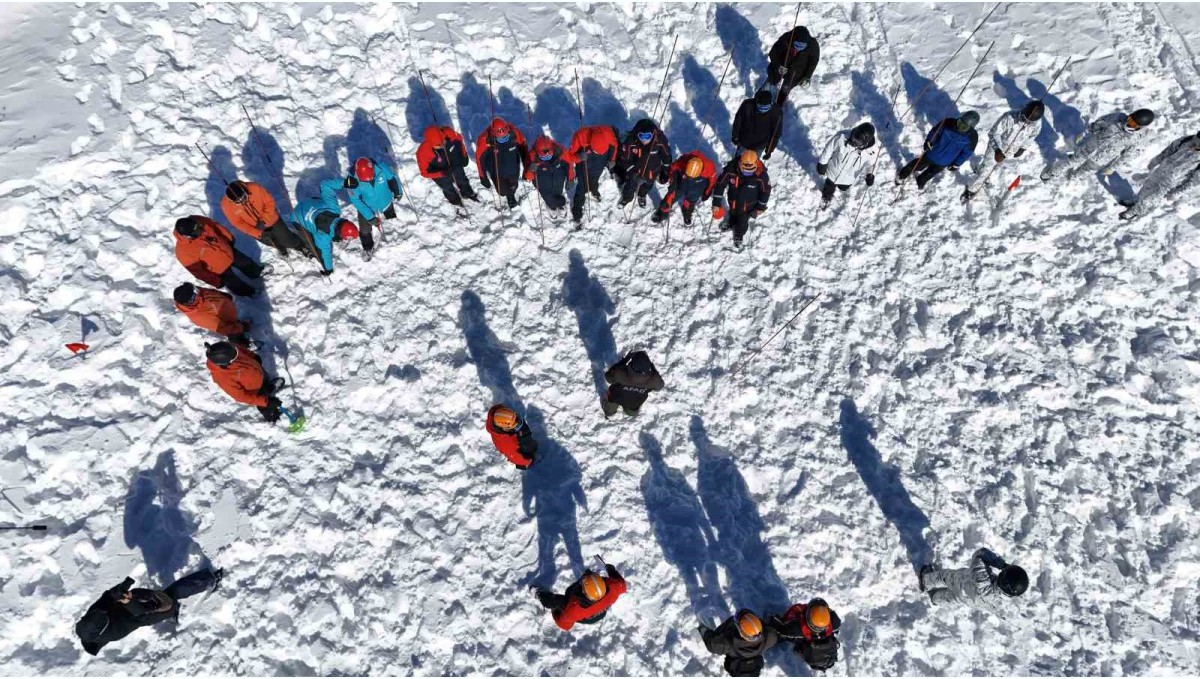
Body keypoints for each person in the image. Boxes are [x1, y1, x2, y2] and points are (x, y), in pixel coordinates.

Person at [75, 569, 223, 656]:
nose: (103, 612)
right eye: (104, 618)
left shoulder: (95, 612)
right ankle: (208, 581)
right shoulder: (113, 633)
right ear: (103, 630)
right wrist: (127, 601)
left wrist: (119, 592)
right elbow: (139, 613)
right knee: (170, 598)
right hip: (145, 612)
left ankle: (175, 611)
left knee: (169, 596)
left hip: (135, 598)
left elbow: (107, 596)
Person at [1040, 108, 1156, 182]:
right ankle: (1053, 173)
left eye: (1133, 124)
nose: (1129, 123)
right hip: (1089, 148)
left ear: (1139, 127)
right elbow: (1099, 124)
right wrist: (1085, 132)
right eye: (1130, 119)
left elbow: (1127, 156)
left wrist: (1112, 167)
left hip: (1101, 159)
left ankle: (1073, 176)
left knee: (1085, 171)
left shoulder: (1137, 140)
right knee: (1071, 161)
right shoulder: (1117, 118)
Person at [962, 100, 1045, 202]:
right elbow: (993, 134)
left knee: (996, 166)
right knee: (987, 168)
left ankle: (984, 174)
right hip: (996, 148)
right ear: (1023, 111)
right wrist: (997, 150)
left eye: (1030, 121)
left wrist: (1023, 147)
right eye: (1025, 118)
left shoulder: (1036, 123)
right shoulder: (1009, 117)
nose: (1026, 122)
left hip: (1010, 151)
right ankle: (972, 190)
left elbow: (1032, 136)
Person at [173, 215, 263, 297]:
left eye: (198, 226)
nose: (201, 228)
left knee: (244, 261)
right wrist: (216, 281)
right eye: (196, 231)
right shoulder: (183, 252)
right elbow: (199, 272)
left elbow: (216, 226)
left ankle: (256, 272)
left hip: (227, 250)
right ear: (188, 236)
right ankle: (248, 292)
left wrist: (229, 238)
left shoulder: (197, 220)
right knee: (234, 282)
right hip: (219, 269)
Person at [1119, 131, 1200, 220]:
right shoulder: (1187, 140)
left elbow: (1195, 181)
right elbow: (1169, 150)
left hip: (1172, 181)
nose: (1195, 144)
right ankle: (1136, 201)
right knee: (1147, 186)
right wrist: (1156, 161)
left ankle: (1136, 211)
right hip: (1162, 169)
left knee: (1152, 197)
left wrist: (1178, 192)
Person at [920, 548, 1029, 612]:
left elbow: (980, 555)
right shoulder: (1000, 601)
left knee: (944, 577)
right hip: (966, 599)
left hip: (959, 581)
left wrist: (1002, 564)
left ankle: (926, 581)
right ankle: (935, 598)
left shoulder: (983, 579)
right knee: (949, 598)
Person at [335, 157, 403, 260]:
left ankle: (395, 237)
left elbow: (393, 178)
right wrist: (370, 217)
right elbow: (356, 200)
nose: (370, 180)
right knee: (364, 229)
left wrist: (398, 191)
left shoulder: (382, 167)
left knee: (391, 219)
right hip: (366, 206)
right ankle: (368, 247)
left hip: (385, 201)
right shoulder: (351, 181)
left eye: (371, 177)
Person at [219, 180, 306, 258]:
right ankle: (280, 247)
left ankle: (300, 246)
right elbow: (238, 223)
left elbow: (270, 203)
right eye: (238, 202)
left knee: (288, 240)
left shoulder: (255, 188)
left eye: (244, 198)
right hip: (255, 228)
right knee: (270, 242)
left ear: (244, 190)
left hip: (271, 219)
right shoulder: (226, 205)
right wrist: (257, 233)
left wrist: (263, 220)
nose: (243, 202)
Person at [895, 111, 980, 191]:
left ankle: (921, 181)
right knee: (917, 165)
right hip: (932, 153)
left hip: (945, 161)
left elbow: (966, 153)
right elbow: (935, 132)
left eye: (964, 127)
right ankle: (902, 175)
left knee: (930, 173)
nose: (959, 127)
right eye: (960, 122)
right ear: (959, 118)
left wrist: (956, 164)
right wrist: (929, 141)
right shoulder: (948, 122)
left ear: (971, 128)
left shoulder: (972, 137)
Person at [204, 340, 283, 423]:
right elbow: (241, 396)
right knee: (264, 401)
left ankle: (269, 387)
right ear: (225, 364)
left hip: (258, 372)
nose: (237, 355)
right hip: (254, 389)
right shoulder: (223, 378)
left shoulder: (231, 350)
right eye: (234, 358)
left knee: (265, 380)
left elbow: (241, 349)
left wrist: (252, 356)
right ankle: (273, 416)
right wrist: (266, 402)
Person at [291, 183, 360, 276]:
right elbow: (326, 253)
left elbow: (326, 186)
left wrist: (346, 182)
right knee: (310, 239)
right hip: (296, 217)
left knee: (322, 202)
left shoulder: (334, 209)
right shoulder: (323, 236)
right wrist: (329, 270)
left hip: (309, 203)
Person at [535, 563, 627, 631]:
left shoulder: (574, 610)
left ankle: (542, 595)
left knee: (562, 600)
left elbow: (566, 626)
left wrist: (554, 609)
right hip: (601, 613)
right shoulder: (615, 586)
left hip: (587, 619)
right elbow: (622, 584)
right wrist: (611, 570)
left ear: (584, 592)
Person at [564, 125, 621, 227]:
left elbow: (615, 146)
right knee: (581, 187)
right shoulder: (580, 136)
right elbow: (569, 156)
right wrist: (578, 156)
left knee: (595, 179)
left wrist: (612, 159)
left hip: (600, 162)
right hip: (584, 161)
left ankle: (593, 190)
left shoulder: (609, 133)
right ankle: (577, 211)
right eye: (597, 151)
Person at [713, 150, 771, 249]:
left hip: (748, 205)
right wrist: (716, 203)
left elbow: (766, 191)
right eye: (744, 170)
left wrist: (760, 208)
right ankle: (731, 223)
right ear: (740, 163)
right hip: (733, 199)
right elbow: (720, 184)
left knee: (742, 221)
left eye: (750, 171)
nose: (747, 173)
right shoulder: (730, 169)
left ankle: (739, 234)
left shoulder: (761, 175)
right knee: (733, 213)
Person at [767, 598, 842, 672]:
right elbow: (836, 628)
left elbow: (780, 628)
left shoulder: (797, 628)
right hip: (825, 654)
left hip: (809, 651)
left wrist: (773, 618)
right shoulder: (835, 622)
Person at [699, 609, 779, 677]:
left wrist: (703, 630)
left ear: (742, 633)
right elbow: (774, 635)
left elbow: (712, 645)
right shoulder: (769, 638)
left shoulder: (727, 643)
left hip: (736, 668)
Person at [416, 125, 480, 208]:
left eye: (443, 142)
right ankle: (455, 201)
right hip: (440, 173)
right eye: (439, 145)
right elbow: (424, 173)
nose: (442, 146)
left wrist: (464, 155)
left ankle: (467, 192)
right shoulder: (422, 153)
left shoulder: (449, 133)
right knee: (447, 187)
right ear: (430, 144)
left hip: (455, 164)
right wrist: (441, 173)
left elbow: (459, 141)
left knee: (461, 178)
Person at [614, 118, 672, 209]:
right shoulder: (631, 141)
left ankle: (642, 195)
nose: (644, 140)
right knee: (630, 185)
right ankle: (627, 198)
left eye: (647, 136)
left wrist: (665, 170)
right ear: (637, 134)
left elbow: (667, 155)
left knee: (648, 185)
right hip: (636, 170)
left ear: (652, 134)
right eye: (641, 136)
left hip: (652, 170)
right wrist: (632, 172)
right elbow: (626, 159)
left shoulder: (659, 140)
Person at [817, 122, 877, 207]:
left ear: (865, 143)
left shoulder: (869, 152)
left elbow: (870, 164)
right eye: (854, 137)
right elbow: (829, 149)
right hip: (833, 171)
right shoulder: (842, 137)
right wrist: (822, 163)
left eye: (857, 141)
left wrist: (870, 175)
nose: (853, 141)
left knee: (843, 187)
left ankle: (842, 187)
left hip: (848, 178)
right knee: (829, 185)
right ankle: (826, 197)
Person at [652, 151, 718, 226]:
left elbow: (712, 180)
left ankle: (687, 212)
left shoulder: (709, 167)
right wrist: (671, 177)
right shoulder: (684, 161)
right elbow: (673, 167)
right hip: (682, 183)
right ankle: (663, 212)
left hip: (697, 186)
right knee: (668, 200)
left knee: (691, 201)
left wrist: (707, 192)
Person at [476, 117, 529, 209]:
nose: (504, 138)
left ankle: (511, 197)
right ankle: (507, 193)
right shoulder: (485, 139)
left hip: (513, 166)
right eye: (501, 138)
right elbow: (479, 159)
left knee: (513, 186)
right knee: (502, 191)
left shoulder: (515, 133)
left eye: (506, 136)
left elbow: (524, 150)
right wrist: (483, 177)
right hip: (497, 169)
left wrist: (527, 167)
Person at [173, 282, 249, 343]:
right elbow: (223, 328)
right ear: (191, 300)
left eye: (195, 289)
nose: (198, 290)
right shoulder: (199, 316)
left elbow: (208, 291)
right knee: (237, 338)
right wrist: (241, 327)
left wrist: (222, 295)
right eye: (195, 291)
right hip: (230, 327)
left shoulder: (195, 293)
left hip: (229, 313)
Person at [766, 26, 821, 106]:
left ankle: (778, 105)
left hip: (796, 72)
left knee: (785, 89)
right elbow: (773, 53)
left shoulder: (813, 44)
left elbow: (813, 62)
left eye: (802, 46)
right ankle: (763, 96)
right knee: (771, 81)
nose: (799, 48)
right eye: (797, 45)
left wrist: (807, 76)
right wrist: (778, 66)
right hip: (782, 66)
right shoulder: (786, 39)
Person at [602, 350, 665, 418]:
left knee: (610, 407)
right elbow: (659, 387)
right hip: (634, 403)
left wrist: (624, 361)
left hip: (616, 397)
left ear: (632, 364)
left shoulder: (620, 374)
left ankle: (609, 412)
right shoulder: (654, 380)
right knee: (632, 412)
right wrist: (653, 368)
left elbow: (608, 377)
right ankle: (630, 412)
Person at [525, 135, 575, 218]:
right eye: (543, 157)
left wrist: (570, 179)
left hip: (558, 179)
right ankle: (551, 206)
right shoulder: (531, 156)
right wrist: (531, 169)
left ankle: (560, 205)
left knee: (558, 192)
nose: (547, 158)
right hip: (543, 183)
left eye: (549, 155)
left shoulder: (561, 152)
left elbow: (569, 165)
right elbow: (528, 177)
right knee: (548, 198)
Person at [731, 90, 784, 159]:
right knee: (739, 160)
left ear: (771, 103)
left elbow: (776, 133)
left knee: (753, 163)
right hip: (744, 141)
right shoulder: (747, 105)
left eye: (766, 107)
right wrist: (735, 136)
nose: (763, 110)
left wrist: (769, 150)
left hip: (760, 145)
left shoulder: (777, 112)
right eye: (760, 106)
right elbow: (738, 120)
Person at [485, 404, 538, 469]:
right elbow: (516, 457)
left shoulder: (501, 415)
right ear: (504, 428)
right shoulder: (508, 444)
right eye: (514, 425)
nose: (518, 423)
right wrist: (528, 461)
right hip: (515, 452)